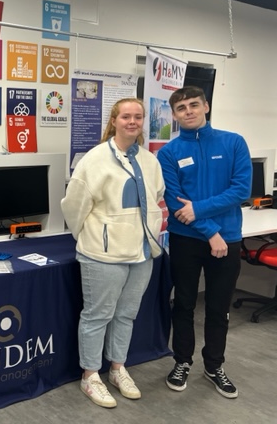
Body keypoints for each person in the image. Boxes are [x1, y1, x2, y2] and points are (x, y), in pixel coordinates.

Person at [61, 97, 165, 408]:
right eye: (126, 116)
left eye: (138, 117)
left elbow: (157, 196)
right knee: (98, 316)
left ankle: (118, 368)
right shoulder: (94, 160)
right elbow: (73, 206)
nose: (132, 122)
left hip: (142, 252)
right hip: (103, 255)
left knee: (126, 314)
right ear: (114, 121)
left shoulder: (150, 160)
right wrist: (94, 236)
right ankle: (91, 375)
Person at [157, 86, 251, 399]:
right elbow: (174, 200)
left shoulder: (233, 142)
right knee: (184, 303)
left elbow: (241, 190)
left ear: (206, 106)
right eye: (181, 108)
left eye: (194, 105)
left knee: (218, 307)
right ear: (174, 114)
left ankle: (214, 365)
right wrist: (210, 231)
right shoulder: (169, 152)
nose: (189, 112)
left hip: (228, 238)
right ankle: (182, 361)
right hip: (187, 240)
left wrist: (198, 210)